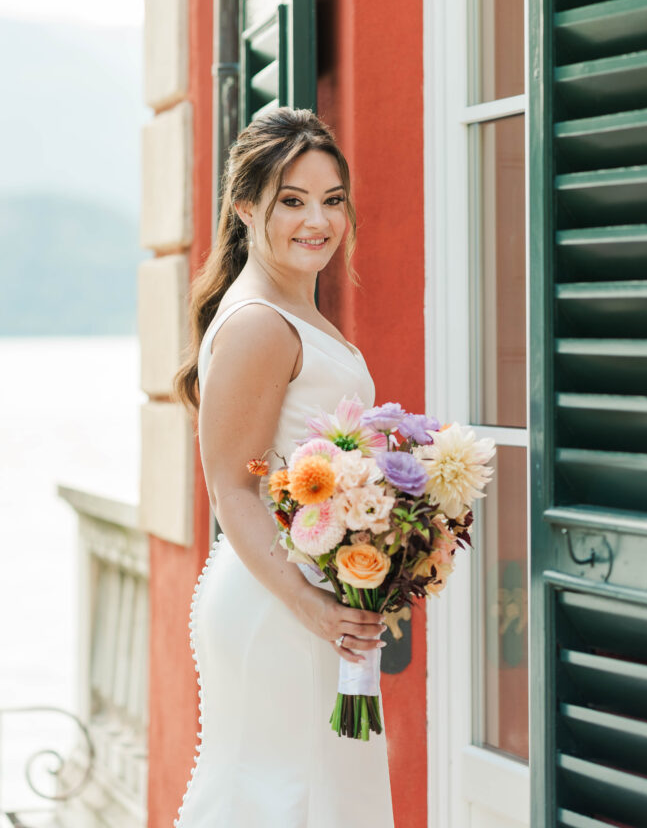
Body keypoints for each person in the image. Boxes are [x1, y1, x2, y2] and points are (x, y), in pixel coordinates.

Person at [172, 107, 395, 826]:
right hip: (280, 604)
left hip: (309, 596)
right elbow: (229, 487)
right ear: (244, 207)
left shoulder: (290, 309)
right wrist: (315, 609)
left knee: (317, 798)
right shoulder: (261, 324)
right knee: (280, 799)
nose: (318, 221)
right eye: (291, 201)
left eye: (331, 200)